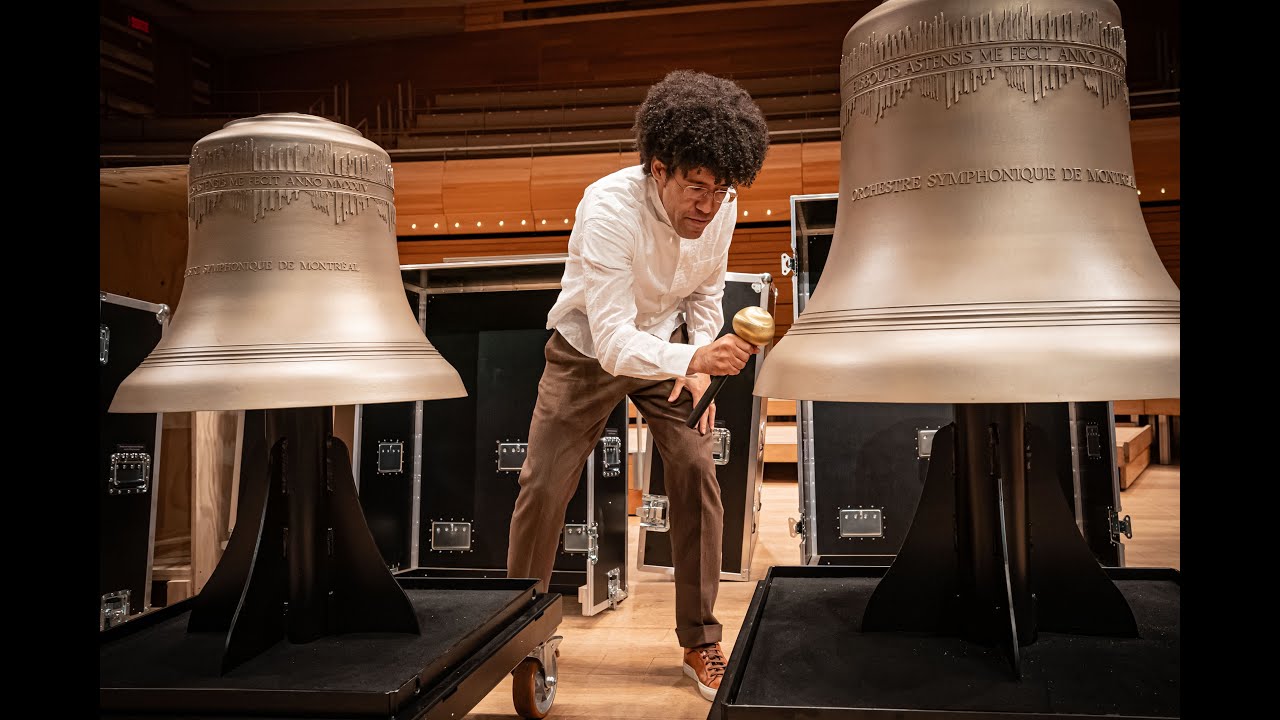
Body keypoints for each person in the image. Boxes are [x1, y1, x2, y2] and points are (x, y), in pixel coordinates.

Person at [506, 69, 770, 701]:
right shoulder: (606, 209)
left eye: (721, 189)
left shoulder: (722, 207)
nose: (708, 206)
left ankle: (700, 638)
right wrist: (695, 359)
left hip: (670, 350)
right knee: (543, 485)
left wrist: (694, 364)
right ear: (658, 168)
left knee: (696, 468)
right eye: (696, 187)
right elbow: (615, 341)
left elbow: (707, 292)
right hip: (588, 350)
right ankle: (517, 635)